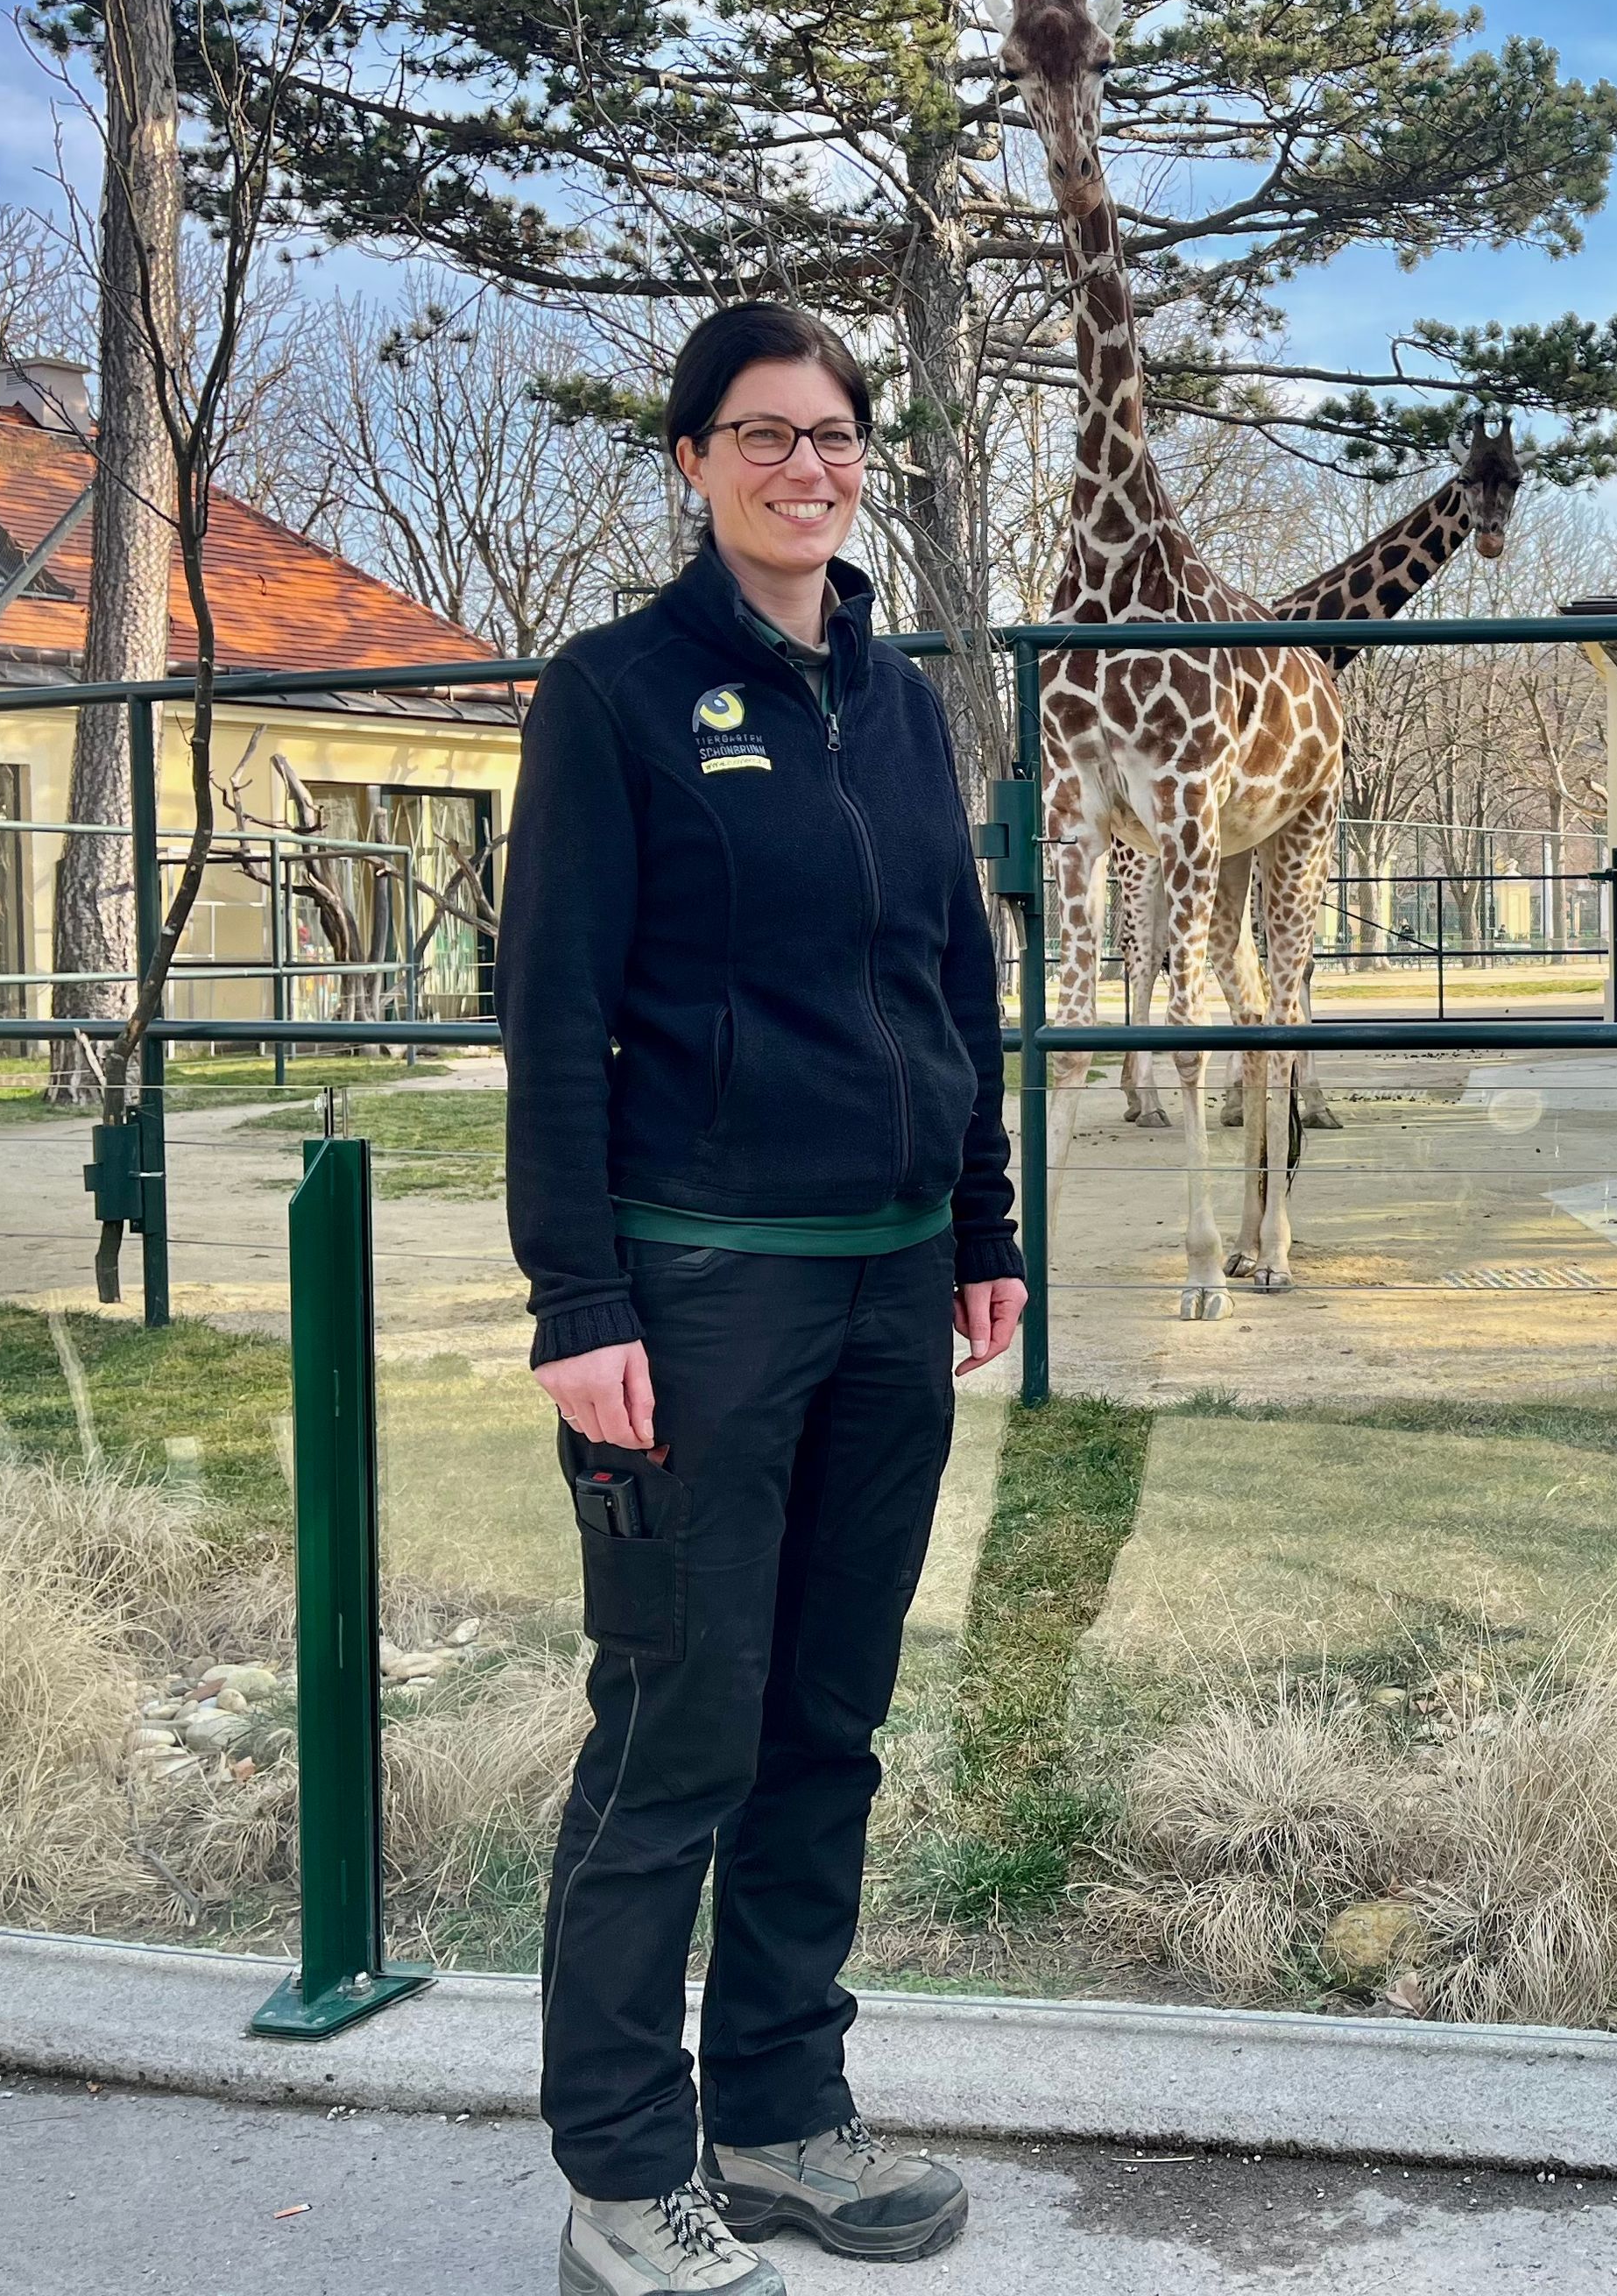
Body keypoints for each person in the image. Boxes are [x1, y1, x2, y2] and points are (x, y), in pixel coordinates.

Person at [503, 301, 1027, 2296]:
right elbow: (549, 1018)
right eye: (759, 435)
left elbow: (949, 985)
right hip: (700, 1294)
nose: (802, 468)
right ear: (691, 464)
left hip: (893, 1291)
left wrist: (977, 1226)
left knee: (828, 1721)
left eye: (829, 435)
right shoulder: (616, 698)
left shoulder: (897, 702)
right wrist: (579, 1298)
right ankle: (626, 2177)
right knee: (675, 1730)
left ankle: (784, 2116)